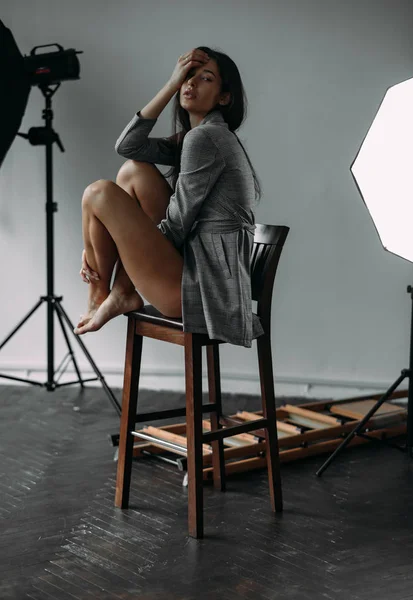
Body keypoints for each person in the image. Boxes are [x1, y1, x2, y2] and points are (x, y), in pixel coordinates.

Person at [74, 46, 264, 347]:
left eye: (205, 79)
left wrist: (111, 242)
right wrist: (170, 85)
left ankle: (99, 297)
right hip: (200, 276)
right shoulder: (197, 137)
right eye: (186, 77)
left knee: (98, 193)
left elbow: (176, 227)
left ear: (224, 97)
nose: (190, 84)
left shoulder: (205, 138)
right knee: (132, 171)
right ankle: (122, 292)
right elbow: (128, 147)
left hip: (202, 293)